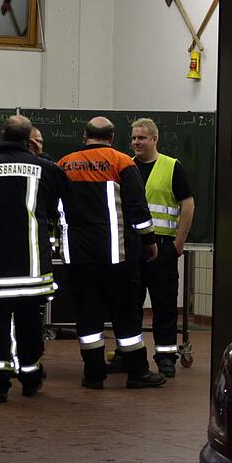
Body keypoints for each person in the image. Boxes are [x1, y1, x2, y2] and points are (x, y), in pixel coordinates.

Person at [0, 115, 69, 402]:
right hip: (33, 270)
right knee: (30, 324)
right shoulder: (45, 168)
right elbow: (63, 203)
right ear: (28, 140)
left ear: (2, 135)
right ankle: (31, 377)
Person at [56, 116, 166, 389]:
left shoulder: (64, 164)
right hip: (117, 255)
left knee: (87, 313)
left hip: (78, 256)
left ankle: (93, 374)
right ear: (112, 137)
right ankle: (137, 373)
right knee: (126, 313)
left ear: (85, 135)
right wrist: (149, 240)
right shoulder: (121, 163)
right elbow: (138, 210)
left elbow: (52, 207)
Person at [129, 117, 195, 378]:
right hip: (133, 248)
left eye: (141, 138)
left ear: (154, 139)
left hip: (164, 246)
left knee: (164, 304)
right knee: (131, 305)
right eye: (133, 138)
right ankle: (131, 356)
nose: (136, 142)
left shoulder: (171, 167)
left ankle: (166, 356)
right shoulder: (127, 167)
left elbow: (187, 204)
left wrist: (179, 242)